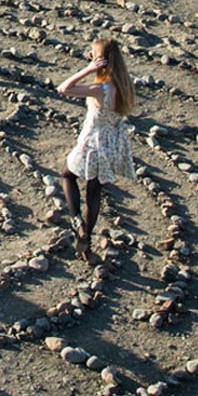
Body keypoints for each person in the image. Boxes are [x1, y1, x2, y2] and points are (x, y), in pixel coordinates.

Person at [57, 38, 136, 262]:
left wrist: (88, 69)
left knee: (67, 174)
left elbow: (64, 89)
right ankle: (87, 241)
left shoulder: (100, 89)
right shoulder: (125, 85)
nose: (90, 57)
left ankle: (77, 221)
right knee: (94, 191)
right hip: (113, 143)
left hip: (93, 142)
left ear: (102, 59)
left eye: (93, 54)